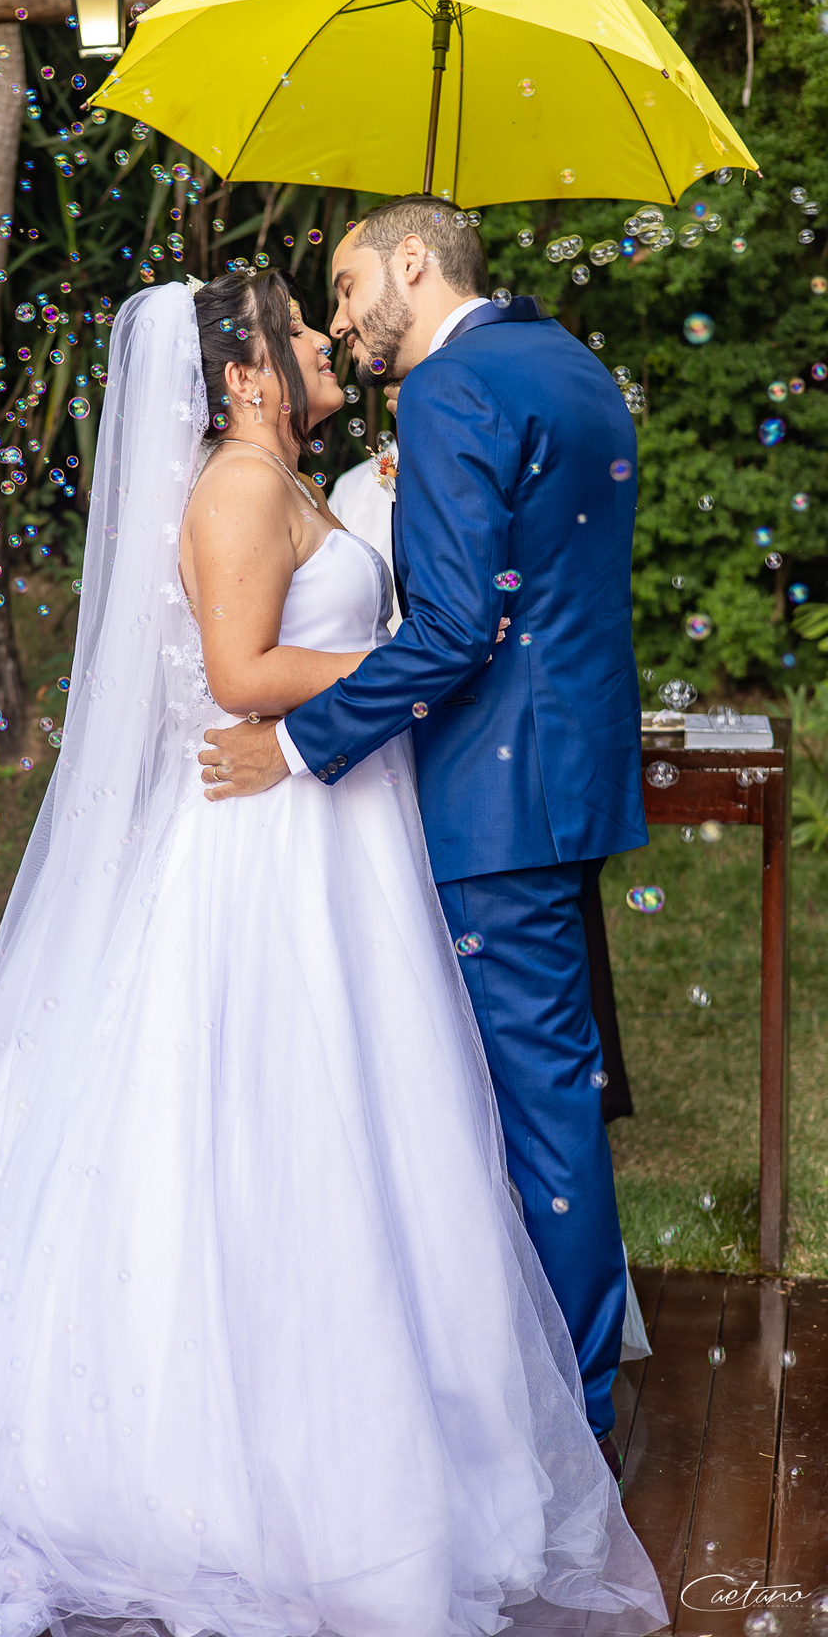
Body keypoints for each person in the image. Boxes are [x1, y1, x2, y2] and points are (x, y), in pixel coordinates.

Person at [0, 275, 664, 1637]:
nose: (325, 339)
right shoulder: (236, 489)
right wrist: (413, 658)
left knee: (371, 1118)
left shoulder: (295, 481)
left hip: (340, 838)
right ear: (244, 376)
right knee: (262, 1119)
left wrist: (396, 557)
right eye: (302, 328)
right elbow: (240, 674)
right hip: (267, 845)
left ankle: (394, 1414)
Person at [200, 200, 648, 1478]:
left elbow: (455, 631)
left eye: (347, 288)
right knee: (545, 1089)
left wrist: (297, 744)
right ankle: (543, 1371)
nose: (341, 321)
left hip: (493, 794)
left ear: (413, 262)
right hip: (563, 777)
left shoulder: (450, 389)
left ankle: (573, 1409)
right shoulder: (568, 364)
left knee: (536, 1102)